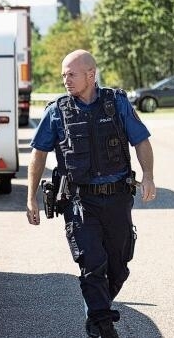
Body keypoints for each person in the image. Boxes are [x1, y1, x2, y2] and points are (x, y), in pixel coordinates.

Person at [26, 49, 156, 338]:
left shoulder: (116, 103)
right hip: (79, 201)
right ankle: (101, 323)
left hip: (117, 197)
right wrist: (30, 196)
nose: (66, 80)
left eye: (71, 74)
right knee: (92, 262)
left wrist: (148, 175)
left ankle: (96, 309)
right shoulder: (56, 111)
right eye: (63, 75)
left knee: (118, 266)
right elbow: (38, 154)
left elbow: (141, 141)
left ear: (91, 74)